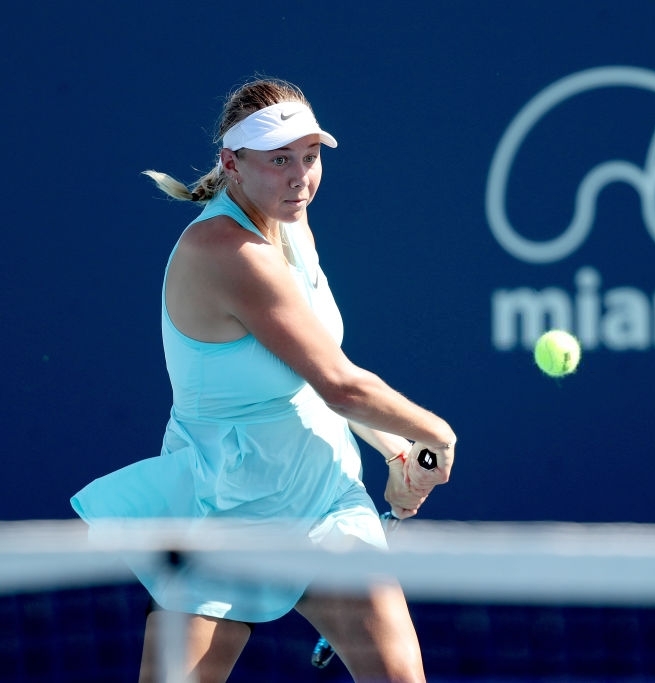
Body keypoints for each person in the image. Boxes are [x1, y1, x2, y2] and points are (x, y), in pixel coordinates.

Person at [70, 77, 456, 683]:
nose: (300, 176)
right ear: (232, 164)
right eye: (279, 160)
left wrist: (396, 448)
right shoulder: (225, 251)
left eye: (310, 157)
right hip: (225, 514)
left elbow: (318, 371)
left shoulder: (290, 224)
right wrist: (439, 434)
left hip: (323, 498)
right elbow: (340, 385)